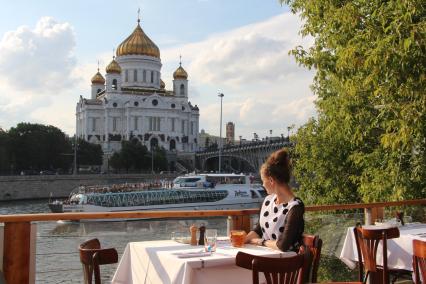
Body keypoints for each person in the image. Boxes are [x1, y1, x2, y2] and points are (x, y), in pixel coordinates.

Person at [245, 148, 304, 252]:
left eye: (263, 181)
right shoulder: (268, 201)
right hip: (266, 257)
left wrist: (260, 242)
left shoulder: (295, 207)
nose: (263, 185)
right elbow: (259, 230)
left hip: (286, 262)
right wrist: (243, 239)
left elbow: (283, 245)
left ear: (271, 180)